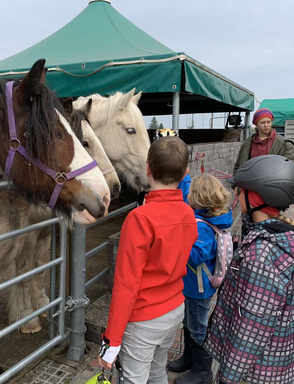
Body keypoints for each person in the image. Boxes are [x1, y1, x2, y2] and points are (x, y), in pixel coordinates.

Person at [204, 155, 294, 384]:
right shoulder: (280, 235)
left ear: (258, 197)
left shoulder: (260, 256)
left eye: (240, 191)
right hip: (269, 364)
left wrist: (228, 377)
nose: (236, 195)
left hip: (254, 372)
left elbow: (252, 328)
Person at [96, 136, 198, 384]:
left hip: (144, 318)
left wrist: (111, 340)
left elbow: (126, 284)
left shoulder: (139, 218)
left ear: (148, 169)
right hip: (175, 308)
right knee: (157, 370)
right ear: (185, 172)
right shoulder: (188, 212)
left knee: (134, 378)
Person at [169, 174, 233, 384]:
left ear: (197, 198)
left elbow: (196, 256)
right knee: (189, 322)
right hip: (193, 285)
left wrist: (178, 239)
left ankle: (202, 371)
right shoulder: (203, 219)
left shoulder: (202, 227)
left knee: (198, 327)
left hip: (198, 288)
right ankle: (189, 359)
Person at [233, 108, 294, 175]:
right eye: (262, 123)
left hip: (274, 183)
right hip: (251, 182)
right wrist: (236, 183)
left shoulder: (285, 144)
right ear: (256, 124)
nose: (266, 125)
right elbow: (239, 165)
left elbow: (290, 168)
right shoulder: (248, 143)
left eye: (268, 122)